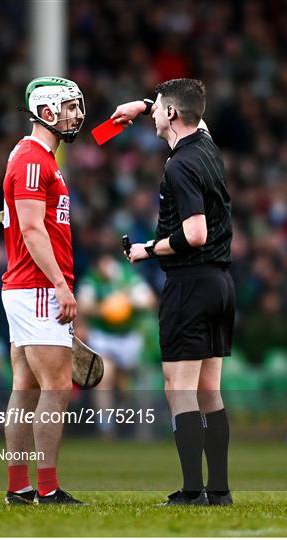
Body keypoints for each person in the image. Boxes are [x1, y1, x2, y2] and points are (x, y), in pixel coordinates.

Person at [111, 78, 235, 506]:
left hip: (191, 283)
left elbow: (195, 233)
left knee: (177, 387)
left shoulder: (179, 165)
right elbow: (192, 119)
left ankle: (191, 491)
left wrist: (148, 249)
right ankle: (218, 491)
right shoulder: (207, 146)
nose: (156, 114)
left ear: (172, 115)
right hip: (221, 285)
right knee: (209, 390)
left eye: (160, 107)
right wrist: (145, 105)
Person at [1, 76, 85, 505]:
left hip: (24, 286)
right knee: (55, 387)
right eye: (68, 107)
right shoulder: (34, 160)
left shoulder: (32, 156)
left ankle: (19, 486)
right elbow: (33, 230)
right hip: (37, 287)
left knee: (26, 388)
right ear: (46, 112)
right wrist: (60, 286)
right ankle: (47, 489)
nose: (76, 114)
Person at [77, 252, 156, 437]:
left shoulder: (128, 277)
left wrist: (127, 300)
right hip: (103, 336)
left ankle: (143, 429)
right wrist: (104, 308)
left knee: (134, 382)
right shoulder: (92, 279)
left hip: (128, 337)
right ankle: (107, 429)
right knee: (104, 377)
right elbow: (83, 306)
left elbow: (150, 301)